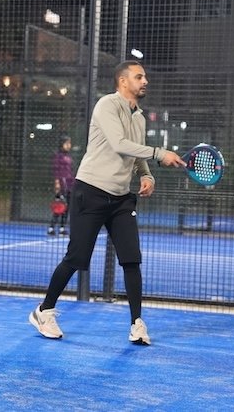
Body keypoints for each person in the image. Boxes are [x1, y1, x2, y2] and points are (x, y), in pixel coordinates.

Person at [29, 61, 185, 345]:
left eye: (145, 77)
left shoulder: (139, 118)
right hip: (91, 191)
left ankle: (137, 323)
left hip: (121, 199)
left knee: (131, 259)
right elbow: (119, 143)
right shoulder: (106, 105)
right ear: (123, 81)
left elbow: (135, 154)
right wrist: (159, 153)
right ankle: (44, 310)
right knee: (76, 258)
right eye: (139, 77)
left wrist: (147, 174)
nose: (145, 81)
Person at [48, 134, 75, 236]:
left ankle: (62, 228)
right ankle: (51, 227)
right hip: (61, 184)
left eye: (69, 143)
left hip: (69, 184)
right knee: (60, 205)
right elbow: (56, 170)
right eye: (66, 143)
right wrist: (57, 183)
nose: (69, 145)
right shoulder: (57, 156)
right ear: (62, 144)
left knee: (67, 206)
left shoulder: (68, 156)